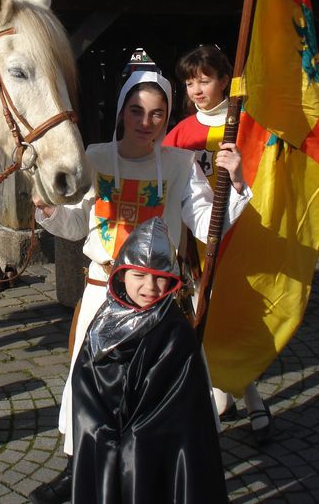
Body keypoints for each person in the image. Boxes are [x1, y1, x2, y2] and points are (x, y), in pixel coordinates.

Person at [29, 63, 250, 504]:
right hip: (101, 291)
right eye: (136, 111)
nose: (146, 123)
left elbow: (208, 223)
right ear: (121, 112)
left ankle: (160, 473)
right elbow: (77, 226)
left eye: (157, 114)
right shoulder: (93, 157)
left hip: (155, 301)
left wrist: (236, 184)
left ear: (168, 117)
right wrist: (49, 209)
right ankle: (79, 470)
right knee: (88, 390)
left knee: (159, 395)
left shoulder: (180, 164)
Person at [72, 216, 228, 504]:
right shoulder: (103, 323)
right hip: (105, 432)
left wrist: (134, 436)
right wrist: (101, 428)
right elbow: (86, 383)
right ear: (121, 275)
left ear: (170, 279)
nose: (150, 286)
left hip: (152, 445)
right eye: (139, 276)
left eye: (159, 277)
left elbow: (177, 404)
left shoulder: (175, 332)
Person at [164, 44, 272, 443]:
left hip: (242, 234)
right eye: (190, 82)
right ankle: (224, 392)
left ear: (225, 79)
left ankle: (252, 398)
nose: (196, 89)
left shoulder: (248, 126)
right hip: (198, 244)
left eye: (204, 80)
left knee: (237, 319)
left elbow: (270, 181)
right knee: (205, 316)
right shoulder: (179, 134)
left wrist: (241, 178)